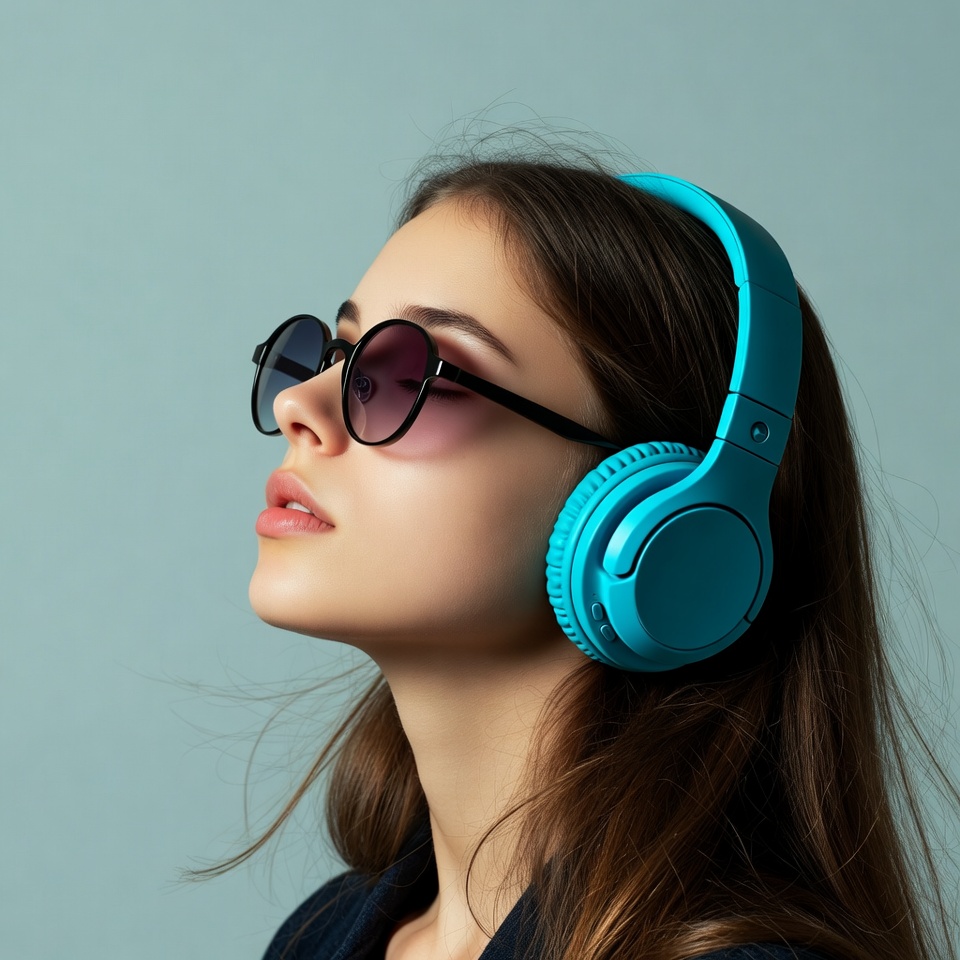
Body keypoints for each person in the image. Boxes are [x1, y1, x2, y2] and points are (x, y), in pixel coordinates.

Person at [229, 152, 958, 960]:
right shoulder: (323, 936)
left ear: (657, 518)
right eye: (339, 352)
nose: (300, 402)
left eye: (414, 374)